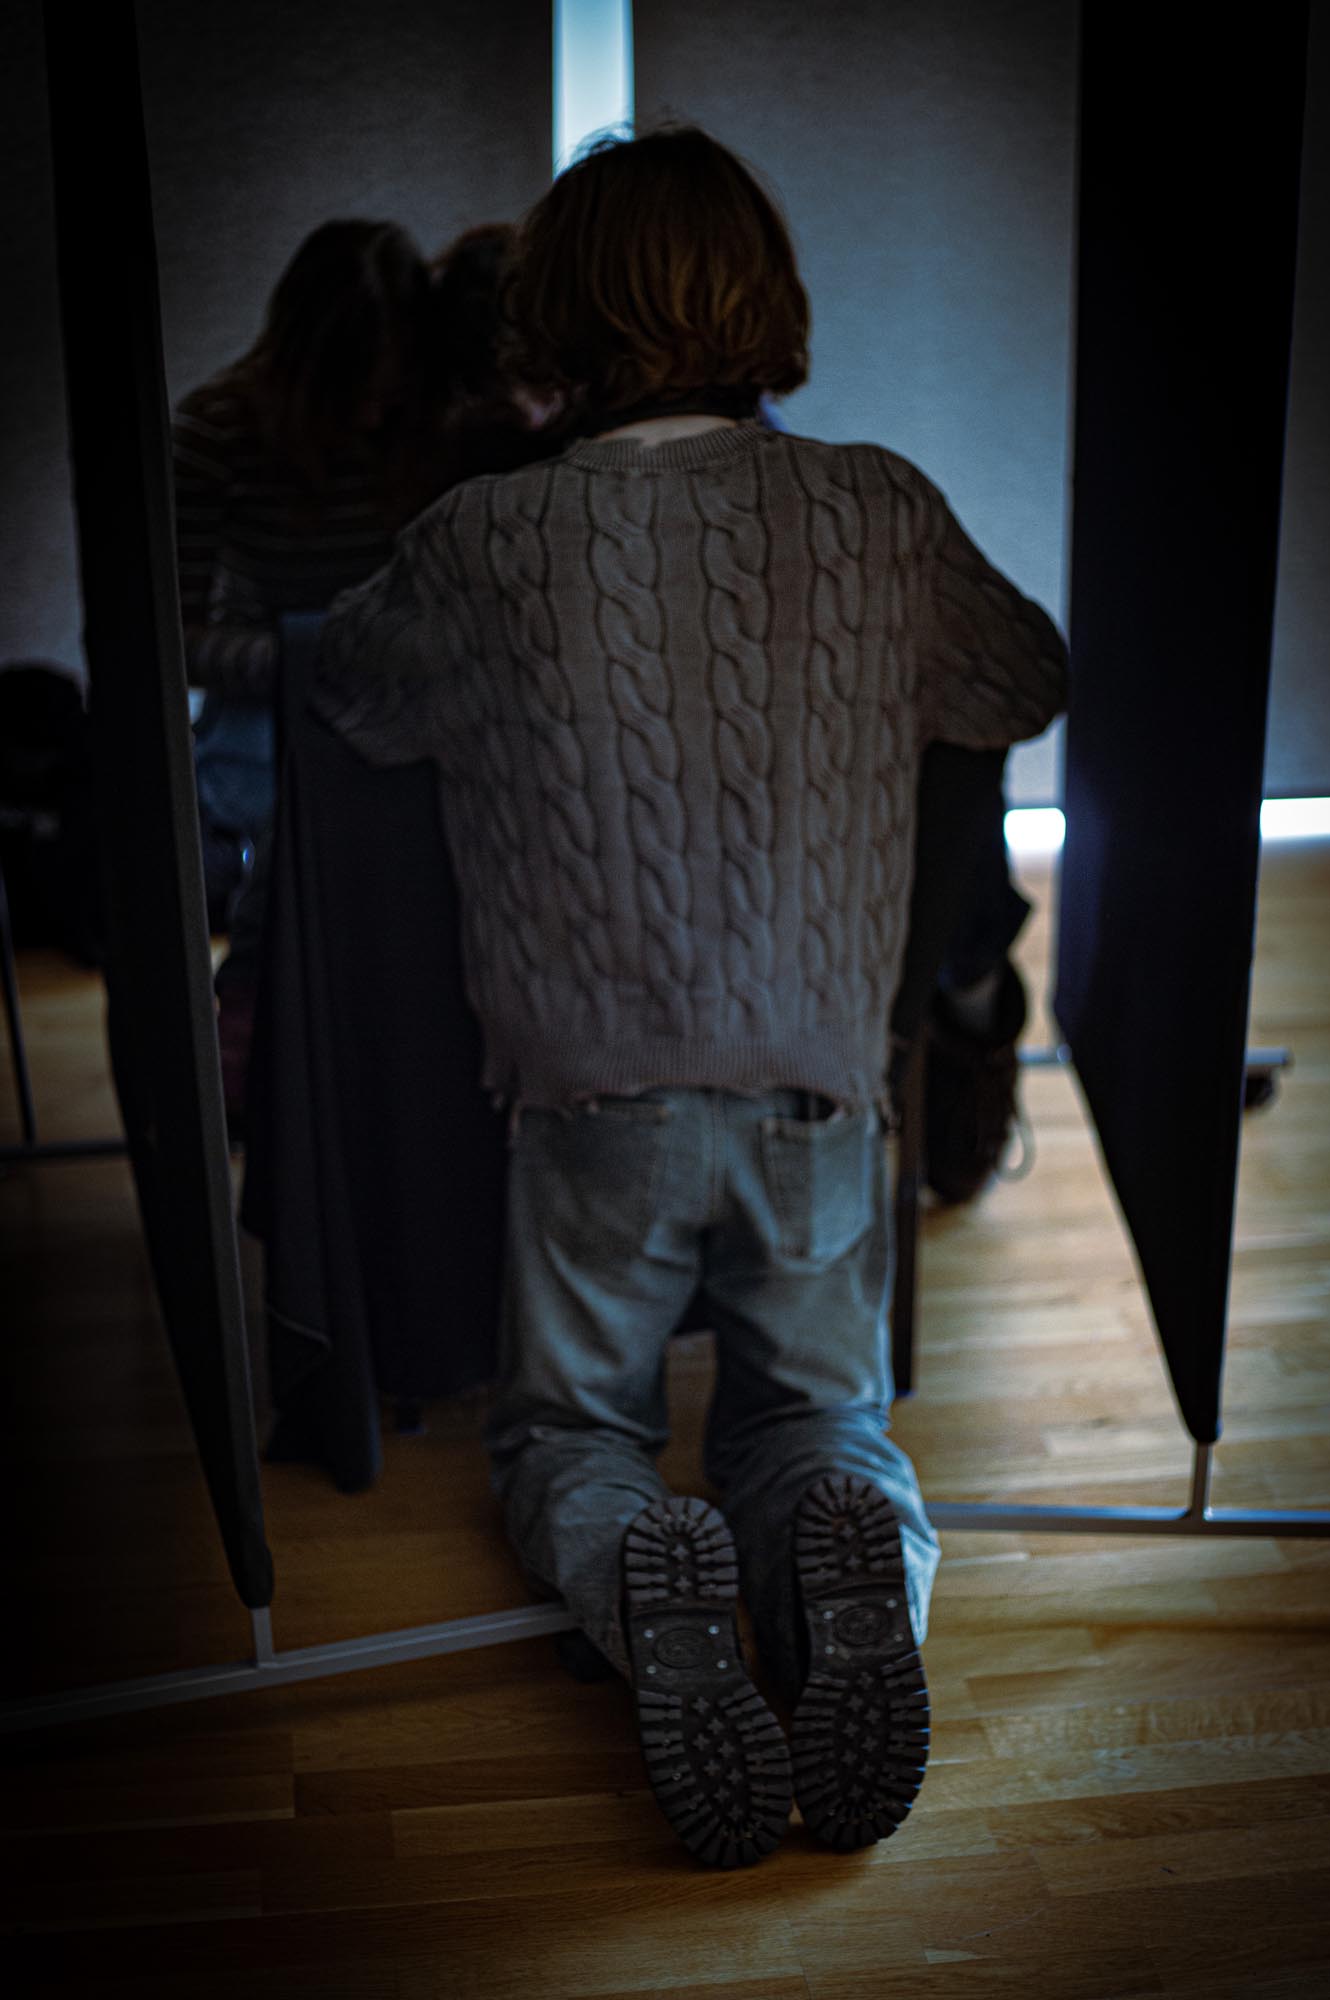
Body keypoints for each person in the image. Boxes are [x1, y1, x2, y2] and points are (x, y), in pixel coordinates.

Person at [311, 127, 1068, 1868]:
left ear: (554, 313)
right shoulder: (876, 504)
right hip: (813, 1073)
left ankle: (640, 1580)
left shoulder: (485, 537)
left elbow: (349, 693)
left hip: (592, 1085)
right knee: (819, 1417)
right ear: (765, 298)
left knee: (570, 1427)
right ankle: (849, 1581)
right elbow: (1021, 675)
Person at [171, 218, 432, 1112]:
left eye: (391, 385)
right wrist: (308, 651)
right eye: (356, 387)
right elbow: (174, 637)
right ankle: (249, 1034)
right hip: (274, 688)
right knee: (287, 818)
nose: (373, 410)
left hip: (406, 686)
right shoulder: (217, 428)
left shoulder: (430, 426)